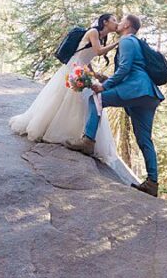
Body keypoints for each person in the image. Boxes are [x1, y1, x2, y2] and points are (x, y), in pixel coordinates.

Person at [8, 13, 140, 187]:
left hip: (81, 69)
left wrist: (94, 74)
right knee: (64, 98)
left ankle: (80, 136)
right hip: (73, 68)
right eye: (114, 20)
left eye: (118, 21)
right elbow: (98, 51)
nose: (116, 23)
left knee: (83, 101)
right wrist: (118, 42)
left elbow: (88, 57)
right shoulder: (93, 32)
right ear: (105, 22)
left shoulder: (101, 36)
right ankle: (52, 129)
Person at [72, 13, 162, 197]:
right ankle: (152, 183)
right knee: (144, 139)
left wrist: (104, 86)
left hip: (136, 88)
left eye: (121, 21)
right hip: (148, 94)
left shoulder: (127, 40)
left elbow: (125, 68)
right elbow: (132, 68)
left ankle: (88, 141)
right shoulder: (135, 42)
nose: (118, 24)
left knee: (95, 99)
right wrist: (106, 80)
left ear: (127, 25)